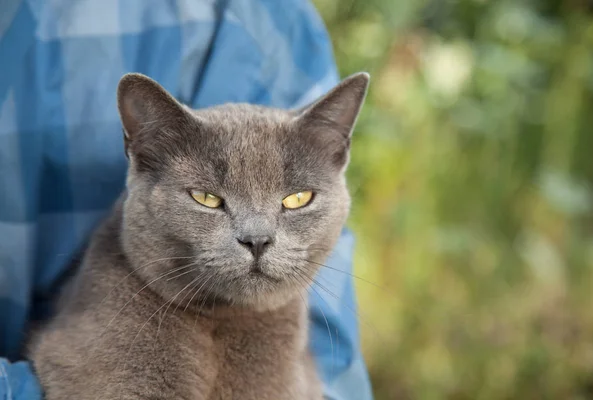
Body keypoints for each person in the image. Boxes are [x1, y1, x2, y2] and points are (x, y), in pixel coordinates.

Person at [0, 0, 373, 398]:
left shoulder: (261, 19)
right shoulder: (119, 302)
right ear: (144, 158)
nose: (257, 236)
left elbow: (343, 379)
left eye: (296, 200)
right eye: (208, 198)